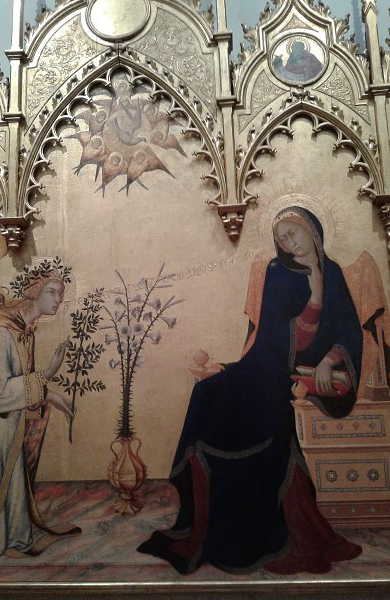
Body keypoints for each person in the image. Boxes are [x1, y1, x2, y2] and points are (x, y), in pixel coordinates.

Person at [138, 206, 363, 575]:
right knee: (206, 394)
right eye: (282, 238)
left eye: (293, 232)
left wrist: (330, 359)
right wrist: (314, 299)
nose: (289, 242)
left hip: (298, 374)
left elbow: (349, 330)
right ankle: (208, 524)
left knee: (246, 409)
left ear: (312, 229)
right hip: (266, 366)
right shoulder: (277, 271)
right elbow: (274, 336)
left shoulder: (333, 273)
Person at [0, 272, 80, 576]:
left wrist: (49, 395)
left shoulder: (23, 330)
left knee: (8, 495)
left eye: (61, 294)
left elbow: (16, 387)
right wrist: (47, 375)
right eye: (52, 292)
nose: (58, 300)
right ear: (33, 292)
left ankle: (13, 538)